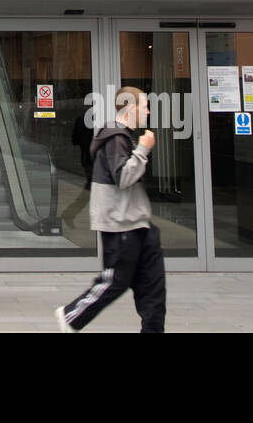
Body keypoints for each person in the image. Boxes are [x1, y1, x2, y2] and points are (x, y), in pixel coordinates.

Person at [56, 85, 165, 333]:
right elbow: (123, 177)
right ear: (130, 107)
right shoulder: (116, 138)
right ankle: (72, 315)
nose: (148, 112)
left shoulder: (121, 136)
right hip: (120, 224)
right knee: (115, 280)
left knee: (153, 288)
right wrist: (144, 148)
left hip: (139, 223)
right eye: (145, 107)